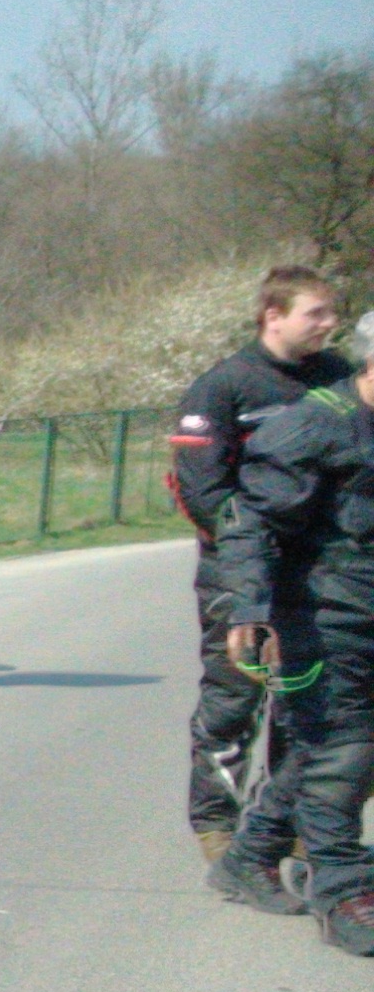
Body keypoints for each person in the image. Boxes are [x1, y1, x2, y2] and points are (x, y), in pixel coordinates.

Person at [169, 267, 353, 863]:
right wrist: (254, 548)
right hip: (238, 568)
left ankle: (289, 826)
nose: (330, 324)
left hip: (321, 572)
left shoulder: (338, 377)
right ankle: (216, 825)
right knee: (234, 696)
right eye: (316, 313)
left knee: (309, 698)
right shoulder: (222, 387)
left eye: (333, 313)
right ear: (273, 315)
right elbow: (201, 490)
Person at [212, 316, 374, 954]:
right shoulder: (314, 425)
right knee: (344, 747)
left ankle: (249, 854)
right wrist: (249, 609)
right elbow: (251, 524)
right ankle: (342, 891)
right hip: (318, 615)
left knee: (324, 745)